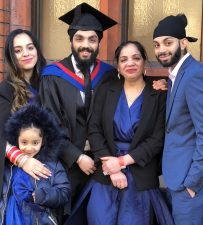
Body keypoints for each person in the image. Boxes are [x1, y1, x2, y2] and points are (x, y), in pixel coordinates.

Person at [65, 41, 174, 225]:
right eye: (123, 59)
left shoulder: (159, 93)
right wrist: (112, 167)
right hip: (105, 174)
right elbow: (94, 129)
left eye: (136, 58)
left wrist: (122, 162)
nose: (130, 63)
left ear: (144, 61)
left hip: (140, 174)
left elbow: (157, 139)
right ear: (118, 65)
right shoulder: (106, 89)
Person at [38, 2, 117, 214]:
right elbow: (49, 125)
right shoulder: (53, 75)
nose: (86, 45)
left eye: (92, 39)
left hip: (102, 165)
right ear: (71, 40)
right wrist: (77, 157)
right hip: (66, 165)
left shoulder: (109, 75)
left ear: (99, 42)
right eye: (79, 38)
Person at [153, 14, 203, 225]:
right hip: (178, 176)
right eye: (156, 45)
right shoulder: (177, 75)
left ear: (183, 43)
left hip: (189, 182)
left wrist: (192, 183)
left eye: (168, 42)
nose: (161, 49)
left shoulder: (194, 75)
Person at [0, 29, 51, 225]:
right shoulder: (4, 91)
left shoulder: (49, 84)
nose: (26, 53)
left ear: (37, 50)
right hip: (16, 173)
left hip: (46, 169)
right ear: (11, 57)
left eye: (30, 47)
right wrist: (23, 161)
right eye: (18, 50)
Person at [0, 103, 71, 225]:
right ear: (16, 139)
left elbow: (64, 192)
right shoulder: (9, 164)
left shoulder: (52, 165)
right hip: (10, 218)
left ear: (43, 141)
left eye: (35, 143)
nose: (29, 148)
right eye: (24, 142)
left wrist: (41, 196)